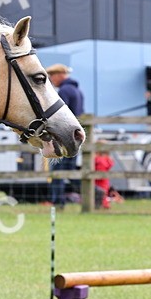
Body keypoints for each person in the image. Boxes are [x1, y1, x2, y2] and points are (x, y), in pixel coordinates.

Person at [46, 63, 84, 205]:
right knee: (71, 171)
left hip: (64, 137)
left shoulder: (64, 91)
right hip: (74, 138)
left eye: (52, 76)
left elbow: (59, 115)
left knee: (57, 172)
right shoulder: (77, 90)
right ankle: (95, 193)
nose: (51, 80)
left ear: (61, 74)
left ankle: (58, 202)